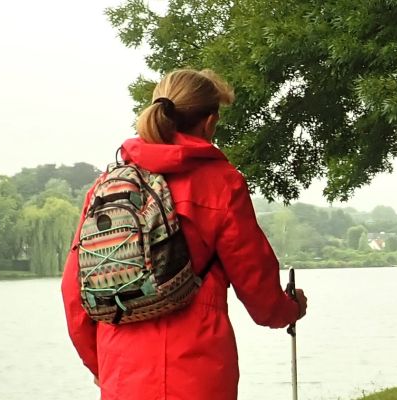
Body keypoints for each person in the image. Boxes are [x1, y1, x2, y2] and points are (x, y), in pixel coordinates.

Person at [62, 69, 308, 400]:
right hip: (197, 371)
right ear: (209, 123)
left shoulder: (107, 186)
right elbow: (258, 287)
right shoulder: (221, 183)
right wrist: (288, 309)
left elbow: (74, 294)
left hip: (122, 373)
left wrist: (101, 367)